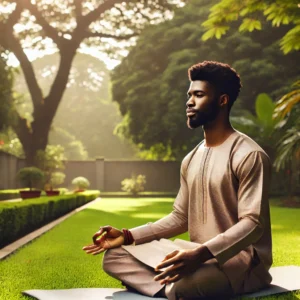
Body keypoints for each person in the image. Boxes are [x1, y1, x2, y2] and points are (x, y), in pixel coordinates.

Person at [83, 61, 273, 300]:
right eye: (189, 95)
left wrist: (203, 254)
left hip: (240, 263)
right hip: (193, 254)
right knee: (114, 257)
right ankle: (174, 282)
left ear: (222, 100)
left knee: (181, 289)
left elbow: (253, 223)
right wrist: (128, 235)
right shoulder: (191, 158)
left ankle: (171, 284)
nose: (189, 102)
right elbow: (180, 217)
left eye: (199, 95)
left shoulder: (249, 155)